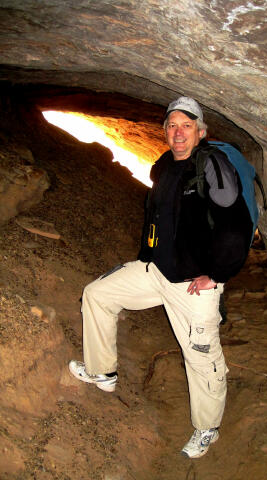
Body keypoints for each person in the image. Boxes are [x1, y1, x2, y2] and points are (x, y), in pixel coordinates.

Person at [69, 96, 253, 458]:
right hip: (157, 271)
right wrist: (148, 257)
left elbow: (237, 228)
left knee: (201, 356)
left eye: (186, 125)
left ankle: (207, 428)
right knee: (97, 294)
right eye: (172, 125)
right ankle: (102, 372)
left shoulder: (212, 167)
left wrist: (216, 275)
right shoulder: (166, 165)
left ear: (201, 132)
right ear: (165, 132)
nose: (178, 132)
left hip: (193, 286)